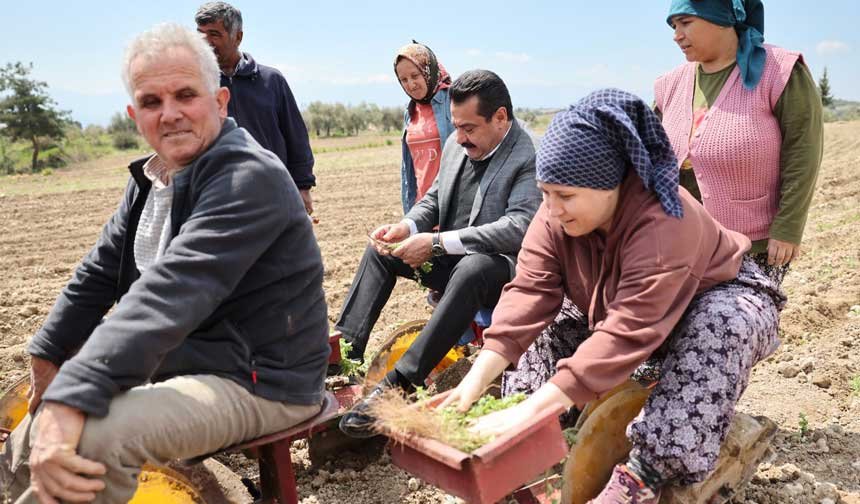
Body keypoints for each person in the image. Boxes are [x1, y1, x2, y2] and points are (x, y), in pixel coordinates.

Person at [0, 23, 330, 504]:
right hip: (197, 361)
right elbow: (96, 273)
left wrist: (73, 396)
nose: (170, 114)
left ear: (220, 101)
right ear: (135, 115)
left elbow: (173, 291)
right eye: (152, 102)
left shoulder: (247, 177)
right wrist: (48, 353)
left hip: (263, 380)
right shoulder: (152, 178)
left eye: (185, 95)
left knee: (95, 438)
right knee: (34, 432)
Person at [443, 89, 786, 504]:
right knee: (549, 327)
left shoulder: (665, 221)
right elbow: (529, 293)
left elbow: (629, 328)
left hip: (708, 299)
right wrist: (474, 385)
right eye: (545, 193)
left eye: (565, 196)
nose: (552, 209)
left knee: (724, 325)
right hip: (619, 307)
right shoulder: (555, 214)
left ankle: (646, 474)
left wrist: (527, 414)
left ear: (611, 184)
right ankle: (534, 444)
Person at [336, 70, 542, 438]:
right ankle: (343, 358)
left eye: (469, 129)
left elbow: (519, 226)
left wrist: (436, 243)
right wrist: (408, 227)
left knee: (474, 267)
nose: (459, 138)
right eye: (456, 127)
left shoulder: (527, 153)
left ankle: (400, 384)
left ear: (500, 117)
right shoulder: (458, 144)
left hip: (504, 274)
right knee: (382, 251)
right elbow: (433, 199)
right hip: (452, 258)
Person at [655, 0, 823, 285]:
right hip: (681, 242)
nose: (676, 35)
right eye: (673, 26)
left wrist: (789, 227)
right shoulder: (669, 84)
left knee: (731, 322)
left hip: (752, 245)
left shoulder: (779, 71)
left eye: (685, 23)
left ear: (721, 18)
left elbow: (803, 151)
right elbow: (648, 153)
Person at [195, 2, 317, 215]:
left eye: (214, 34)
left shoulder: (272, 80)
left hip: (275, 192)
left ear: (238, 37)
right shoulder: (197, 86)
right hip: (220, 197)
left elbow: (296, 136)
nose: (205, 41)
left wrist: (303, 186)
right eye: (201, 33)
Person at [394, 41, 455, 213]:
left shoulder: (453, 100)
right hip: (422, 208)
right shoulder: (410, 111)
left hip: (452, 207)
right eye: (403, 80)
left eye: (415, 76)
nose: (410, 84)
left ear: (428, 71)